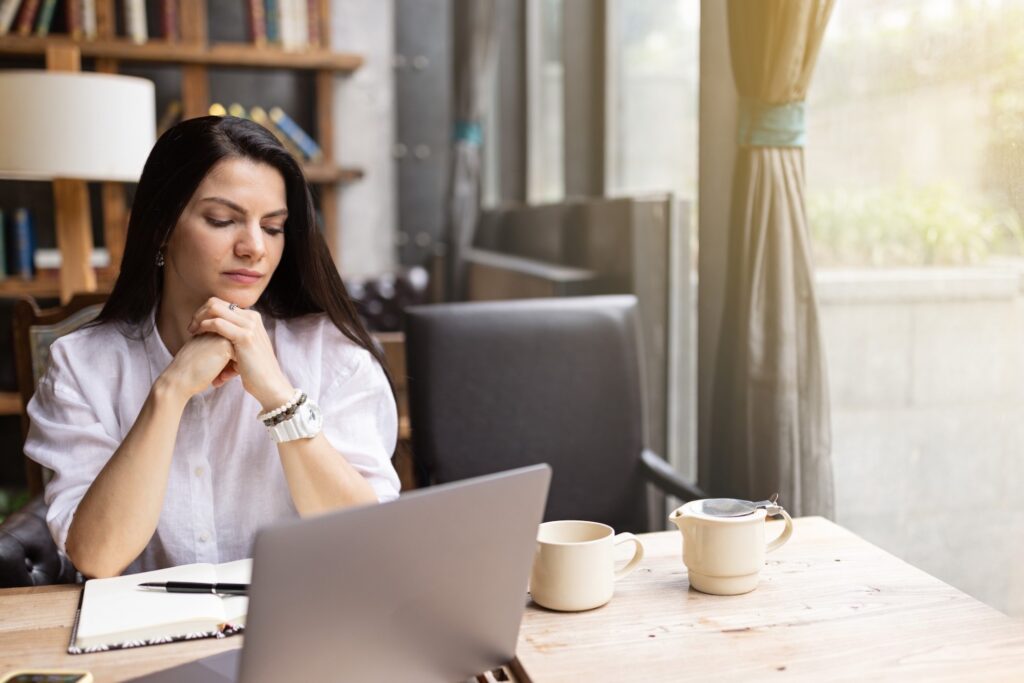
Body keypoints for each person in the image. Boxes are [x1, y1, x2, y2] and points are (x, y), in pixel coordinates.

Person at [25, 116, 401, 578]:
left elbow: (364, 538)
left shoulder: (332, 355)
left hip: (296, 625)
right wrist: (171, 390)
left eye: (274, 227)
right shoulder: (81, 365)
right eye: (223, 221)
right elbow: (99, 557)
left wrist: (279, 398)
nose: (254, 248)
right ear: (162, 226)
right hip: (145, 640)